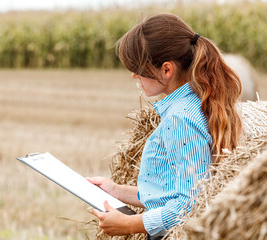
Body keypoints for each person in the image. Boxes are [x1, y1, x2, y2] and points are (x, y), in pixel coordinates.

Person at [87, 13, 242, 239]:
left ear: (166, 70)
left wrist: (129, 224)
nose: (133, 75)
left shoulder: (182, 119)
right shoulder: (190, 106)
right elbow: (171, 192)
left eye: (138, 68)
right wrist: (117, 191)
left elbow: (190, 204)